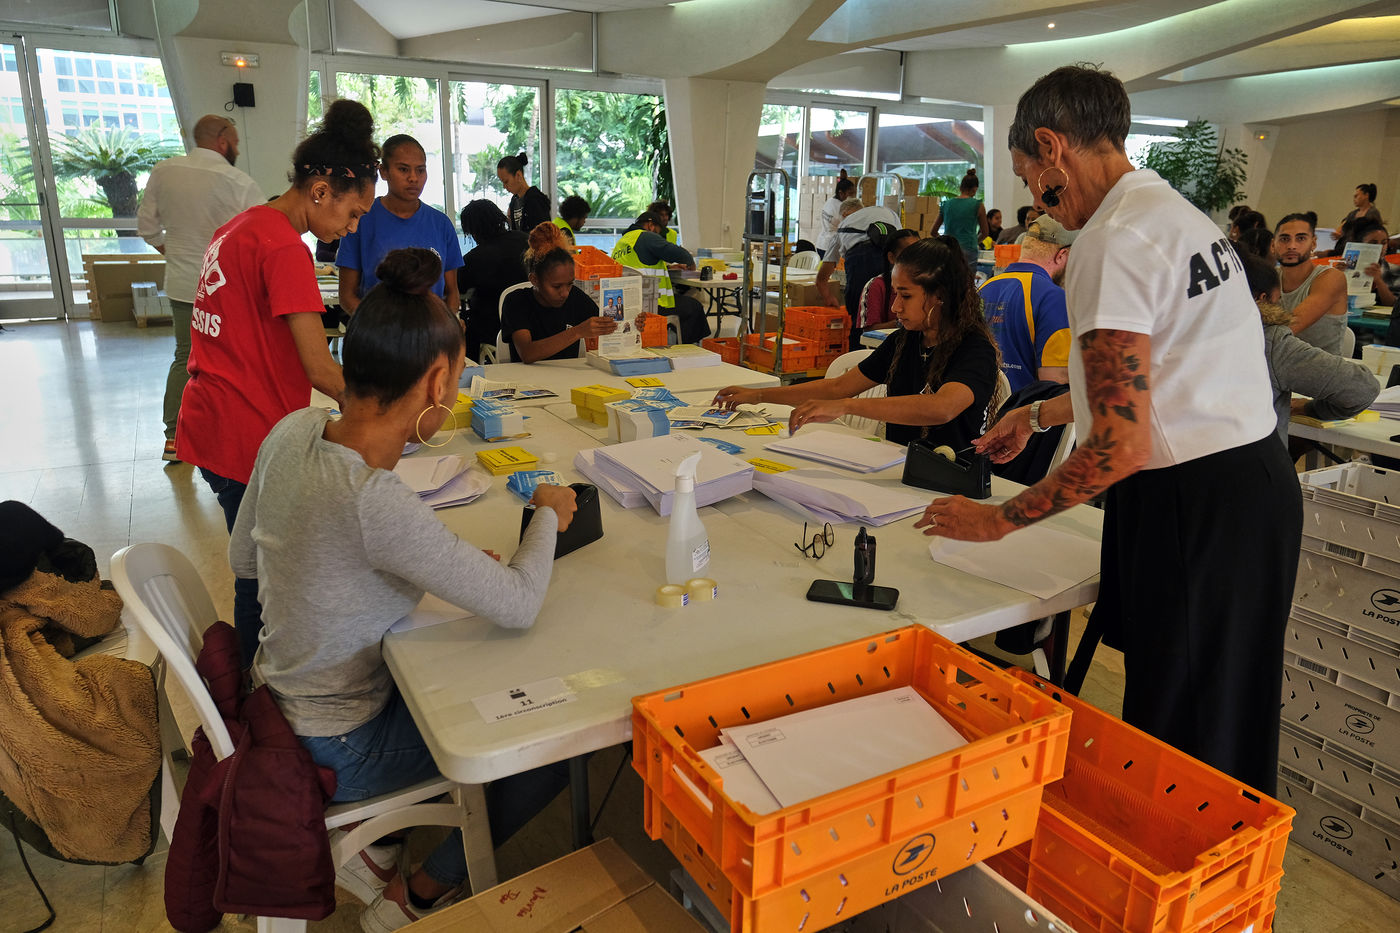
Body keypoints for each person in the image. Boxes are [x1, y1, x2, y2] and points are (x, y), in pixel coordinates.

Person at [916, 64, 1301, 796]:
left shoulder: (1112, 239)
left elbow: (1119, 445)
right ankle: (1226, 858)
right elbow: (1160, 378)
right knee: (1229, 714)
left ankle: (1188, 859)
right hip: (1252, 485)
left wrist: (996, 521)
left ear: (1051, 148)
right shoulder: (1174, 214)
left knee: (1187, 739)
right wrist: (1038, 412)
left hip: (1197, 503)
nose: (1041, 203)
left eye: (1032, 180)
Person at [231, 248, 580, 931]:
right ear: (437, 379)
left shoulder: (292, 429)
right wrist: (547, 512)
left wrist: (360, 577)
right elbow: (517, 603)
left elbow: (245, 557)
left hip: (278, 695)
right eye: (459, 377)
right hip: (340, 741)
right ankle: (419, 893)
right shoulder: (373, 498)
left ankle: (378, 850)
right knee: (553, 741)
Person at [178, 98, 378, 667]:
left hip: (212, 418)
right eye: (353, 213)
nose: (352, 227)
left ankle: (253, 679)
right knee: (259, 576)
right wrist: (385, 412)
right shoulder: (284, 247)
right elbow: (321, 369)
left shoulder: (242, 225)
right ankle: (252, 686)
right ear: (321, 191)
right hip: (242, 431)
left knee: (254, 564)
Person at [714, 238, 999, 449]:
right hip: (900, 468)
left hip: (952, 484)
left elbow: (941, 407)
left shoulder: (974, 349)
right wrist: (759, 395)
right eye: (895, 295)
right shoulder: (904, 341)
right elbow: (837, 387)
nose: (895, 307)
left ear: (940, 296)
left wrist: (846, 407)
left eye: (906, 296)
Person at [137, 114, 265, 463]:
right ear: (223, 141)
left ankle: (174, 438)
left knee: (185, 356)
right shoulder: (238, 182)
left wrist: (176, 254)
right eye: (235, 143)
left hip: (183, 286)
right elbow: (260, 237)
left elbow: (147, 227)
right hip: (228, 290)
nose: (237, 150)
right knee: (232, 359)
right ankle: (229, 433)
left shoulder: (164, 171)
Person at [1236, 248, 1377, 445]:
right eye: (1277, 302)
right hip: (1254, 458)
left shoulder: (1195, 330)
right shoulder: (1271, 342)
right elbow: (1363, 389)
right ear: (1263, 299)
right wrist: (1311, 409)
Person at [336, 134, 462, 315]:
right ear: (383, 172)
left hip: (431, 329)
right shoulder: (360, 221)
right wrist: (375, 327)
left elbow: (452, 293)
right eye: (403, 169)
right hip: (377, 328)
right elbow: (347, 296)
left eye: (420, 170)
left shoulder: (441, 224)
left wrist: (446, 325)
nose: (413, 178)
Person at [980, 215, 1074, 392]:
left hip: (980, 405)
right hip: (1025, 407)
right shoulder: (1053, 298)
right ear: (1062, 255)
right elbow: (1055, 382)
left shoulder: (983, 289)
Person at [504, 223, 617, 363]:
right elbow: (527, 353)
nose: (565, 293)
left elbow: (609, 325)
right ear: (534, 280)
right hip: (525, 375)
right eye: (556, 286)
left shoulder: (575, 297)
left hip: (568, 374)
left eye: (569, 284)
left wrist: (634, 323)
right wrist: (578, 331)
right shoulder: (516, 301)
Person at [611, 211, 710, 343]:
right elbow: (679, 253)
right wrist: (690, 261)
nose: (657, 236)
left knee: (686, 304)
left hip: (627, 303)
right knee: (694, 306)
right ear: (650, 225)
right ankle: (687, 349)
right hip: (652, 305)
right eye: (657, 232)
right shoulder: (646, 236)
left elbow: (638, 266)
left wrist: (668, 268)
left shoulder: (622, 242)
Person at [816, 197, 901, 342]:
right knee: (890, 314)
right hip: (894, 259)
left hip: (861, 262)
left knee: (860, 321)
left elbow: (821, 279)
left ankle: (859, 352)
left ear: (844, 214)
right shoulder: (887, 212)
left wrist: (829, 298)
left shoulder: (844, 225)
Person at [458, 199, 528, 361]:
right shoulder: (527, 241)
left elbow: (457, 290)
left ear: (472, 230)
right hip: (532, 323)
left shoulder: (473, 259)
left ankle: (470, 372)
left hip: (494, 330)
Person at [1276, 213, 1348, 354]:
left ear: (1313, 243)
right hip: (1275, 363)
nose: (1292, 246)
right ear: (1273, 244)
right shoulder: (1270, 277)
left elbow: (1287, 328)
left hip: (1320, 366)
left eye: (1301, 238)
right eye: (1284, 239)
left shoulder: (1331, 278)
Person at [856, 228, 920, 331]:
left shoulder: (927, 283)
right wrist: (900, 323)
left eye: (920, 252)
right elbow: (869, 330)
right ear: (891, 257)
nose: (916, 259)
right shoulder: (876, 285)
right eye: (909, 254)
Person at [935, 169, 989, 265]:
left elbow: (933, 232)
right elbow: (985, 232)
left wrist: (945, 243)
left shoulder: (946, 204)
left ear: (960, 188)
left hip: (949, 250)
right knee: (968, 274)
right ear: (975, 189)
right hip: (969, 249)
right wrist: (974, 242)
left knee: (950, 274)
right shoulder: (978, 205)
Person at [1351, 220, 1399, 310]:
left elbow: (1394, 306)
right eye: (1373, 243)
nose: (1380, 247)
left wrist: (1379, 281)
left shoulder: (1395, 270)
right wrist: (1338, 275)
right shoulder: (1348, 266)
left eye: (1384, 243)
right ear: (1360, 244)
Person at [497, 152, 550, 233]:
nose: (504, 186)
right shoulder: (514, 201)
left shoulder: (536, 199)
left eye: (506, 181)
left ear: (518, 175)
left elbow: (545, 233)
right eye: (502, 182)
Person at [817, 175, 857, 258]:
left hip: (822, 244)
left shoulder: (830, 201)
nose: (853, 196)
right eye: (850, 193)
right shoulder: (842, 207)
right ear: (841, 193)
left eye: (854, 193)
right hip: (831, 245)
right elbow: (849, 227)